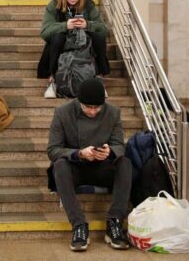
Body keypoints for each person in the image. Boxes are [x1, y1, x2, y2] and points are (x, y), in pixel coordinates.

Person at [46, 78, 132, 251]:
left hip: (101, 167)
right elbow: (53, 150)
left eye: (97, 108)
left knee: (125, 163)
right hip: (75, 168)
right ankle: (79, 225)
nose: (93, 111)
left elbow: (119, 145)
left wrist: (110, 152)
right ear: (79, 102)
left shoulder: (113, 112)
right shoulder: (63, 112)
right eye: (88, 107)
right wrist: (79, 153)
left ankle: (114, 223)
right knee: (60, 165)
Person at [38, 0, 110, 98]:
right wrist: (65, 25)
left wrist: (87, 24)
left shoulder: (88, 4)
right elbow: (44, 32)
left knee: (99, 37)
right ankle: (53, 80)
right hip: (63, 41)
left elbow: (103, 29)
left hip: (83, 40)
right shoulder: (53, 5)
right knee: (56, 38)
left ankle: (98, 78)